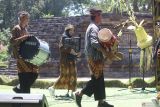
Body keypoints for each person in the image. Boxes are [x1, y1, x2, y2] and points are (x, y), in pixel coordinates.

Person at [75, 8, 114, 107]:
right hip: (94, 58)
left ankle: (101, 102)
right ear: (96, 16)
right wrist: (105, 52)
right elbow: (94, 43)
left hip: (95, 57)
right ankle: (79, 94)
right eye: (100, 15)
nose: (101, 17)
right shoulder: (93, 28)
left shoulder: (95, 27)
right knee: (96, 80)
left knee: (99, 79)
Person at [48, 24, 81, 98]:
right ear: (68, 30)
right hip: (65, 61)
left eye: (73, 30)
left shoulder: (69, 38)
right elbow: (62, 48)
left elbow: (73, 48)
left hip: (71, 60)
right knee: (64, 76)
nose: (73, 32)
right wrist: (74, 52)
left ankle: (71, 92)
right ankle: (52, 88)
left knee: (72, 76)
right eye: (72, 30)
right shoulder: (64, 37)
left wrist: (76, 53)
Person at [10, 11, 39, 93]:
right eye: (26, 18)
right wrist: (24, 37)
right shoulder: (16, 28)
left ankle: (20, 87)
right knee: (24, 75)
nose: (27, 20)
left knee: (35, 72)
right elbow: (12, 42)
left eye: (27, 18)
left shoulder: (25, 29)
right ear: (21, 19)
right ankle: (23, 91)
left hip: (27, 56)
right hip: (20, 56)